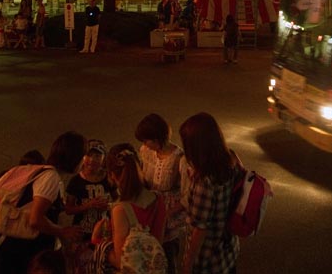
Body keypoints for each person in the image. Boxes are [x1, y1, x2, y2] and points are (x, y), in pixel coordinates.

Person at [0, 132, 85, 274]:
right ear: (73, 158)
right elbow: (35, 219)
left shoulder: (45, 173)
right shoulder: (50, 177)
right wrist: (62, 232)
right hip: (21, 253)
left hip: (14, 251)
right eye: (82, 156)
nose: (84, 161)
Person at [179, 113, 241, 274]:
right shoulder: (231, 159)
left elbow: (200, 229)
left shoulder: (204, 182)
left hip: (209, 261)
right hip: (228, 250)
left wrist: (187, 264)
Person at [103, 143, 166, 272]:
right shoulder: (159, 200)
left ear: (111, 175)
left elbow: (122, 262)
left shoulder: (120, 209)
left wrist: (101, 246)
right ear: (140, 166)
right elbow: (158, 243)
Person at [135, 114, 186, 274]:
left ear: (158, 137)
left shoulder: (179, 158)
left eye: (146, 140)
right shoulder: (145, 151)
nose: (144, 144)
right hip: (149, 208)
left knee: (166, 254)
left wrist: (167, 214)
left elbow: (187, 194)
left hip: (169, 213)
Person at [64, 141, 115, 274]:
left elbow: (120, 201)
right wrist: (87, 206)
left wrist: (109, 206)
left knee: (103, 266)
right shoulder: (76, 181)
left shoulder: (110, 178)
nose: (92, 160)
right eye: (89, 155)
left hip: (105, 232)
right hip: (82, 233)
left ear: (104, 158)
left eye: (97, 156)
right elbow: (68, 209)